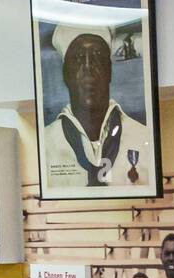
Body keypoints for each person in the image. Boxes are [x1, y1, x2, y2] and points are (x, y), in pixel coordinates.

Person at [39, 25, 153, 188]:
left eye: (97, 57)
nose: (88, 67)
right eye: (78, 58)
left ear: (109, 71)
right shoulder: (46, 145)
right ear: (65, 74)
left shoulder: (143, 138)